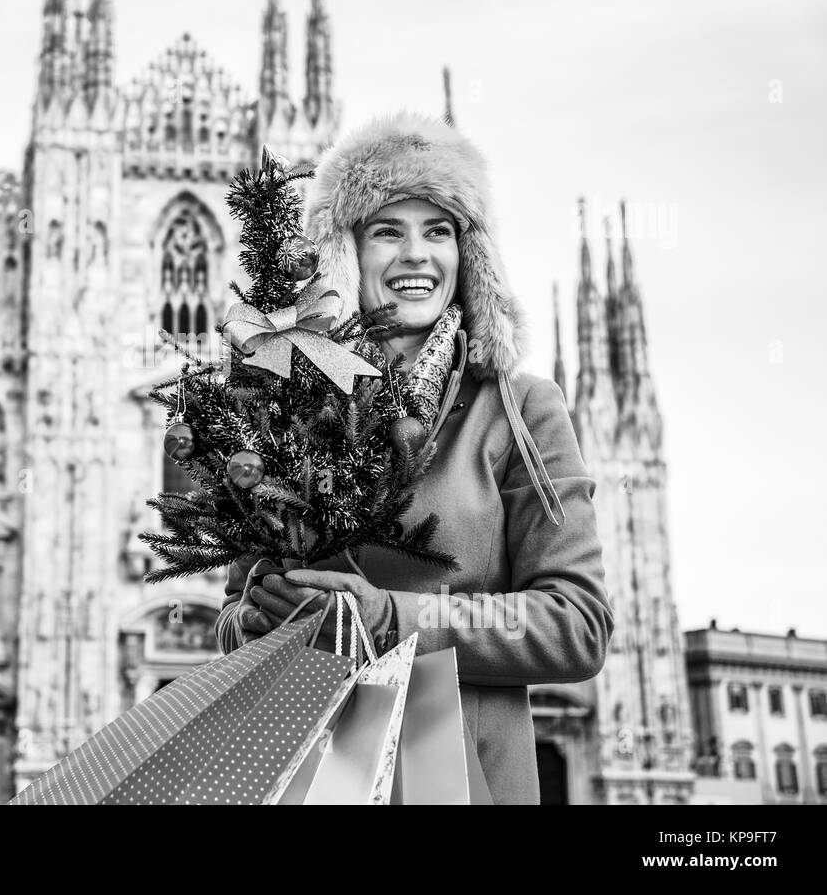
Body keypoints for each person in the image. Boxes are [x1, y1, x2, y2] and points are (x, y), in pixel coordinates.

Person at [212, 111, 615, 804]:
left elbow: (576, 625)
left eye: (438, 231)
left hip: (455, 774)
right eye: (387, 231)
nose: (416, 256)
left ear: (468, 257)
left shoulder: (519, 411)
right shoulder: (288, 411)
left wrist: (391, 618)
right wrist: (254, 619)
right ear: (346, 251)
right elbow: (232, 618)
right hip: (317, 774)